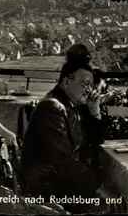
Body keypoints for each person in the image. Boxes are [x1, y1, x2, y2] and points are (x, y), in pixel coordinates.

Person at [19, 57, 107, 214]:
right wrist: (98, 184)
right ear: (66, 81)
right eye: (84, 83)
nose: (89, 90)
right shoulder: (52, 107)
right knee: (106, 203)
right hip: (45, 189)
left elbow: (96, 139)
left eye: (91, 85)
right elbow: (63, 160)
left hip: (59, 182)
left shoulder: (70, 105)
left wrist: (95, 111)